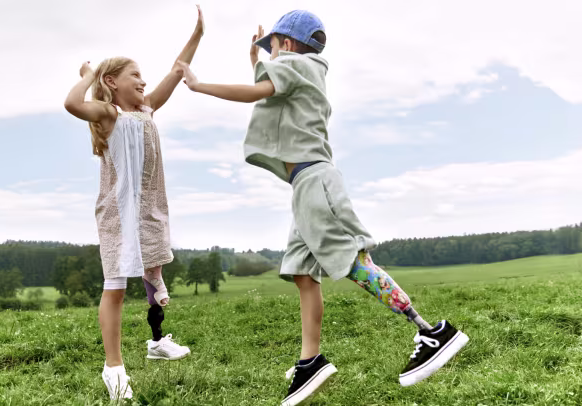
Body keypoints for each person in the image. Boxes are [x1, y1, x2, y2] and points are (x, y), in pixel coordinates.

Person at [177, 10, 468, 406]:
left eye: (274, 46)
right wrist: (258, 62)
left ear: (290, 44)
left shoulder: (298, 64)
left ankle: (433, 332)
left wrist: (199, 85)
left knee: (350, 260)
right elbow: (270, 85)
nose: (271, 56)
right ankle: (310, 361)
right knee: (301, 271)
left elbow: (259, 91)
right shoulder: (302, 68)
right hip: (306, 186)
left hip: (315, 183)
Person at [63, 5, 205, 401]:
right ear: (113, 82)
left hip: (150, 209)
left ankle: (158, 342)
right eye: (135, 75)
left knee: (155, 266)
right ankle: (114, 368)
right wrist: (89, 74)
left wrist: (197, 35)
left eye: (143, 75)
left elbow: (177, 70)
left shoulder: (146, 109)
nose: (144, 81)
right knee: (116, 287)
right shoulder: (108, 114)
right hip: (118, 213)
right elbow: (72, 104)